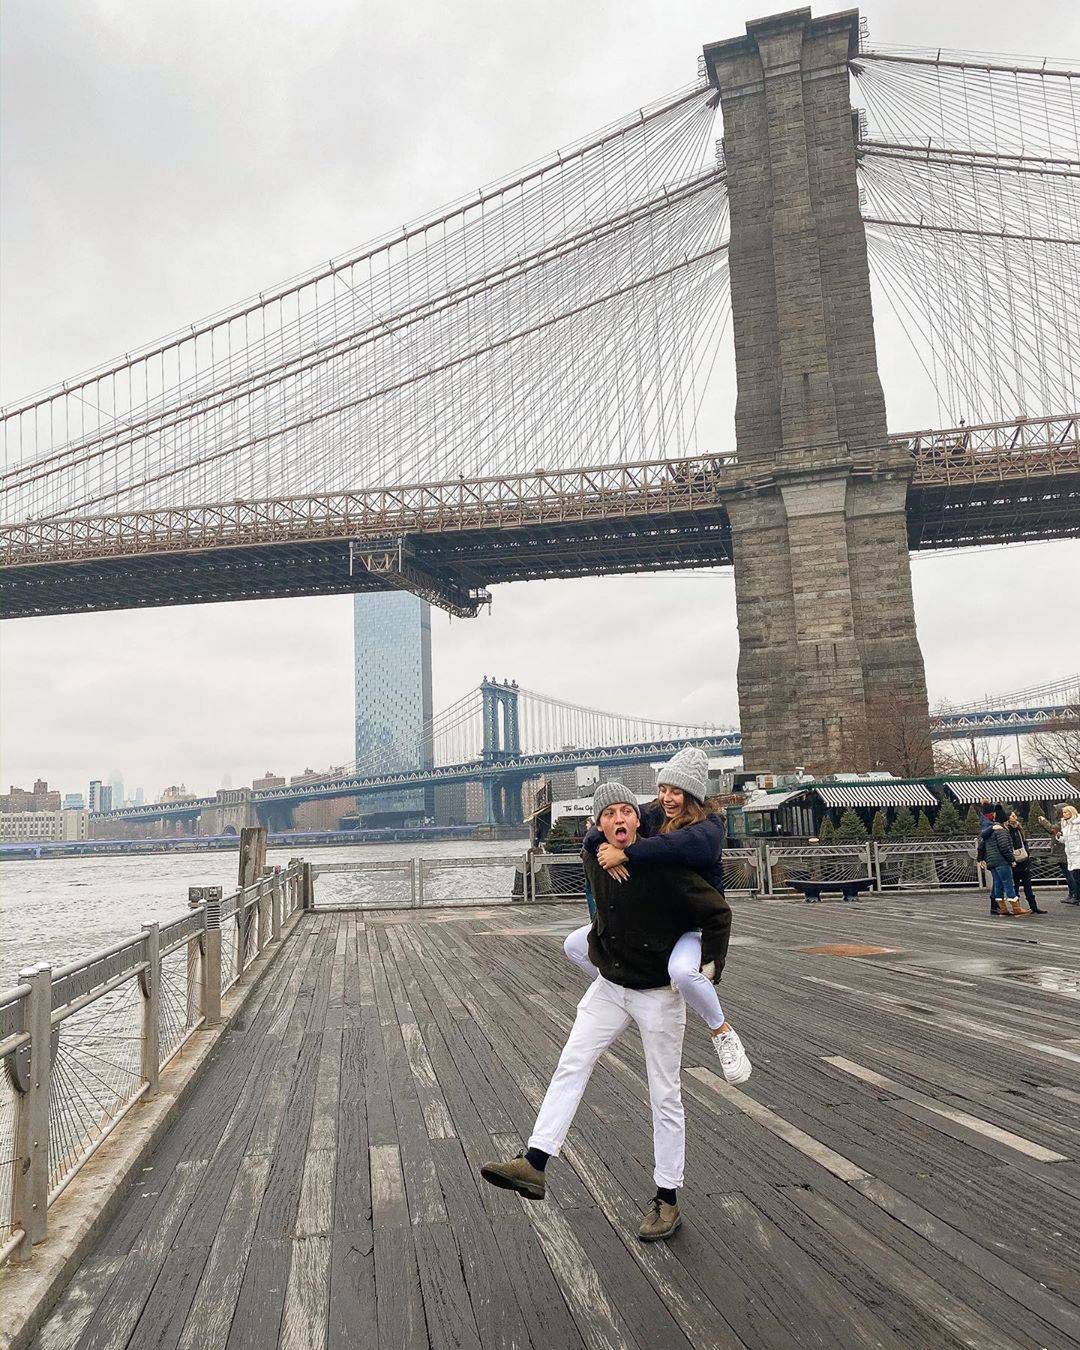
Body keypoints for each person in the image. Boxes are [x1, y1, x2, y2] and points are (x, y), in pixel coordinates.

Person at [481, 781, 732, 1242]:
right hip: (611, 987)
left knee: (665, 1095)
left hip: (658, 994)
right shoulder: (593, 855)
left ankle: (668, 1199)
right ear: (598, 825)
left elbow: (718, 911)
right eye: (608, 814)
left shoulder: (664, 866)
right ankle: (535, 1163)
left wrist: (708, 972)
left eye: (626, 812)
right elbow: (591, 849)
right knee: (571, 1063)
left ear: (640, 819)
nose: (619, 820)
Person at [567, 747, 751, 1084]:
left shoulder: (709, 827)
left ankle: (721, 1031)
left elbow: (677, 847)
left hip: (694, 924)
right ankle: (618, 987)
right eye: (663, 789)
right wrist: (599, 844)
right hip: (658, 919)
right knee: (574, 945)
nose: (667, 797)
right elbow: (605, 823)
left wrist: (626, 852)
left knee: (682, 972)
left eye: (676, 792)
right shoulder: (651, 813)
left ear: (692, 795)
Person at [977, 805, 1021, 916]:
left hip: (992, 861)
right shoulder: (1001, 831)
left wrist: (980, 858)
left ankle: (1002, 908)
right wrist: (1012, 860)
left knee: (997, 884)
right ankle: (1016, 908)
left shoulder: (989, 830)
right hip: (1001, 861)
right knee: (1008, 883)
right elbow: (1004, 848)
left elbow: (981, 844)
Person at [1041, 804, 1080, 904]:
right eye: (1063, 812)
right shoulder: (1065, 824)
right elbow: (1066, 840)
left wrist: (1043, 821)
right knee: (1073, 875)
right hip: (1070, 853)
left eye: (1066, 812)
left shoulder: (1077, 824)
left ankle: (1076, 896)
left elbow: (1051, 828)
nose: (1064, 814)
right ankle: (1076, 896)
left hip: (1077, 853)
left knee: (1075, 876)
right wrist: (1059, 837)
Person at [1007, 810, 1043, 914]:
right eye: (1012, 816)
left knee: (1027, 883)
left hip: (1024, 858)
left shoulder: (1019, 828)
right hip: (1014, 860)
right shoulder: (1007, 830)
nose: (1015, 817)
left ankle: (1034, 906)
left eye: (1015, 815)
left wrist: (1027, 853)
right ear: (1008, 818)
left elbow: (1024, 842)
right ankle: (1017, 907)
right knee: (1016, 884)